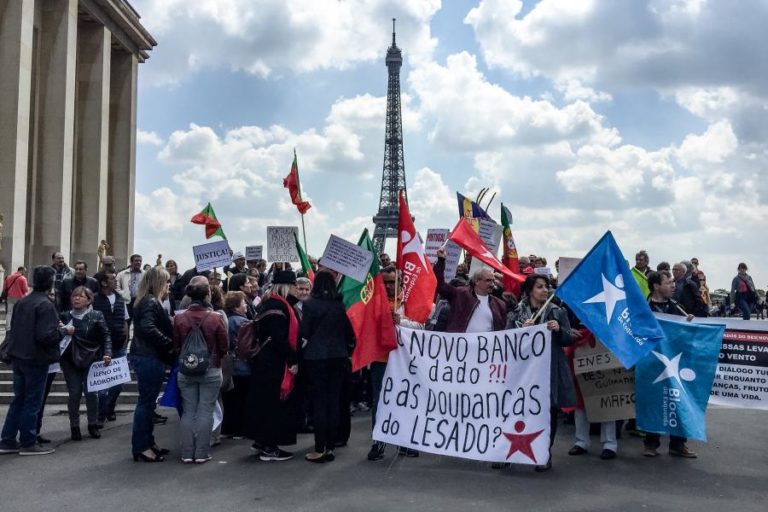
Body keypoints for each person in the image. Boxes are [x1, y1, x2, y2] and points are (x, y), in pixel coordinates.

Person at [506, 273, 575, 472]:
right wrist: (521, 331)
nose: (545, 290)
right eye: (540, 287)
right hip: (523, 373)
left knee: (548, 411)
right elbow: (505, 341)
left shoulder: (557, 311)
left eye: (546, 286)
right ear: (529, 291)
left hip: (549, 370)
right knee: (517, 409)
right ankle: (508, 450)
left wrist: (559, 329)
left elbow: (568, 339)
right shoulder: (517, 312)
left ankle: (544, 452)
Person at [0, 266, 62, 455]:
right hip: (36, 358)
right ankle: (28, 441)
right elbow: (46, 336)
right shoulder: (45, 304)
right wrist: (61, 331)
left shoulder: (22, 302)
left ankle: (7, 440)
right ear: (50, 282)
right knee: (32, 401)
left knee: (19, 399)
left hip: (19, 356)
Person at [299, 272, 356, 463]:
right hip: (338, 357)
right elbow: (350, 334)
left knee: (319, 403)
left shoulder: (309, 304)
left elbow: (304, 331)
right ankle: (330, 446)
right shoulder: (339, 305)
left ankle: (319, 447)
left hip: (316, 357)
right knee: (334, 402)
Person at [246, 270, 300, 462]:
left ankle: (261, 441)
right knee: (272, 405)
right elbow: (280, 339)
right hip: (273, 363)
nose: (296, 289)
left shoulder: (268, 303)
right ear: (286, 286)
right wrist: (293, 360)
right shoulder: (279, 307)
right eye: (294, 285)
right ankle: (269, 447)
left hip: (264, 361)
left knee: (264, 403)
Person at [173, 277, 228, 464]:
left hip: (186, 369)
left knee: (188, 411)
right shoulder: (216, 318)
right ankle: (202, 452)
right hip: (211, 369)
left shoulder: (179, 317)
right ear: (207, 295)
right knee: (206, 410)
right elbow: (224, 346)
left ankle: (187, 452)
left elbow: (176, 344)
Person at [645, 270, 696, 458]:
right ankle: (651, 443)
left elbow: (685, 334)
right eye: (668, 282)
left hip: (675, 363)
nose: (672, 285)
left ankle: (678, 444)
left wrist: (688, 321)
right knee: (653, 403)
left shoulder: (677, 307)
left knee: (678, 401)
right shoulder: (644, 308)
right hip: (652, 363)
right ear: (656, 286)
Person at [129, 266, 174, 462]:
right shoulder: (150, 301)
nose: (169, 286)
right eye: (167, 282)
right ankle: (142, 446)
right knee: (146, 404)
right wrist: (168, 342)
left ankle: (148, 442)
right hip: (149, 356)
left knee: (147, 403)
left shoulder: (146, 300)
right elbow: (148, 328)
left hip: (146, 355)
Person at [59, 286, 112, 441]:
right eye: (74, 296)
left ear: (89, 300)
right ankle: (74, 426)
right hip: (70, 360)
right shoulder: (64, 316)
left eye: (81, 296)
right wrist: (63, 330)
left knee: (91, 394)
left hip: (92, 359)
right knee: (74, 393)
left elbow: (106, 336)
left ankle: (92, 424)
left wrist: (107, 353)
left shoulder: (97, 315)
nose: (76, 298)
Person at [433, 248, 507, 333]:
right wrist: (441, 261)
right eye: (488, 280)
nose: (492, 284)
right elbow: (440, 285)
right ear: (477, 281)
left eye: (493, 281)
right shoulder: (460, 295)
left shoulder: (499, 305)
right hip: (461, 344)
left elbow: (502, 332)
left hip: (485, 346)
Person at [93, 270, 128, 425]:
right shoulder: (94, 300)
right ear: (104, 283)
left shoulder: (120, 299)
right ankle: (100, 414)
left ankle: (110, 407)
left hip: (119, 345)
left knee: (118, 383)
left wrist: (126, 339)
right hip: (101, 347)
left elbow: (125, 321)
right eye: (112, 279)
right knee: (102, 385)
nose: (116, 281)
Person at [221, 291, 251, 440]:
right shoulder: (241, 322)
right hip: (242, 364)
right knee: (241, 399)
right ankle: (240, 429)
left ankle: (228, 428)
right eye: (243, 303)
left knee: (230, 400)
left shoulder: (227, 319)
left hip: (231, 364)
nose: (245, 305)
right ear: (236, 306)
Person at [116, 254, 144, 328]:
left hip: (140, 302)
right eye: (136, 261)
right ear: (131, 262)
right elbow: (116, 288)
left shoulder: (145, 274)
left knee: (139, 324)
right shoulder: (122, 274)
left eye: (140, 261)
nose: (138, 262)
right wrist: (124, 294)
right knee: (126, 324)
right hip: (127, 302)